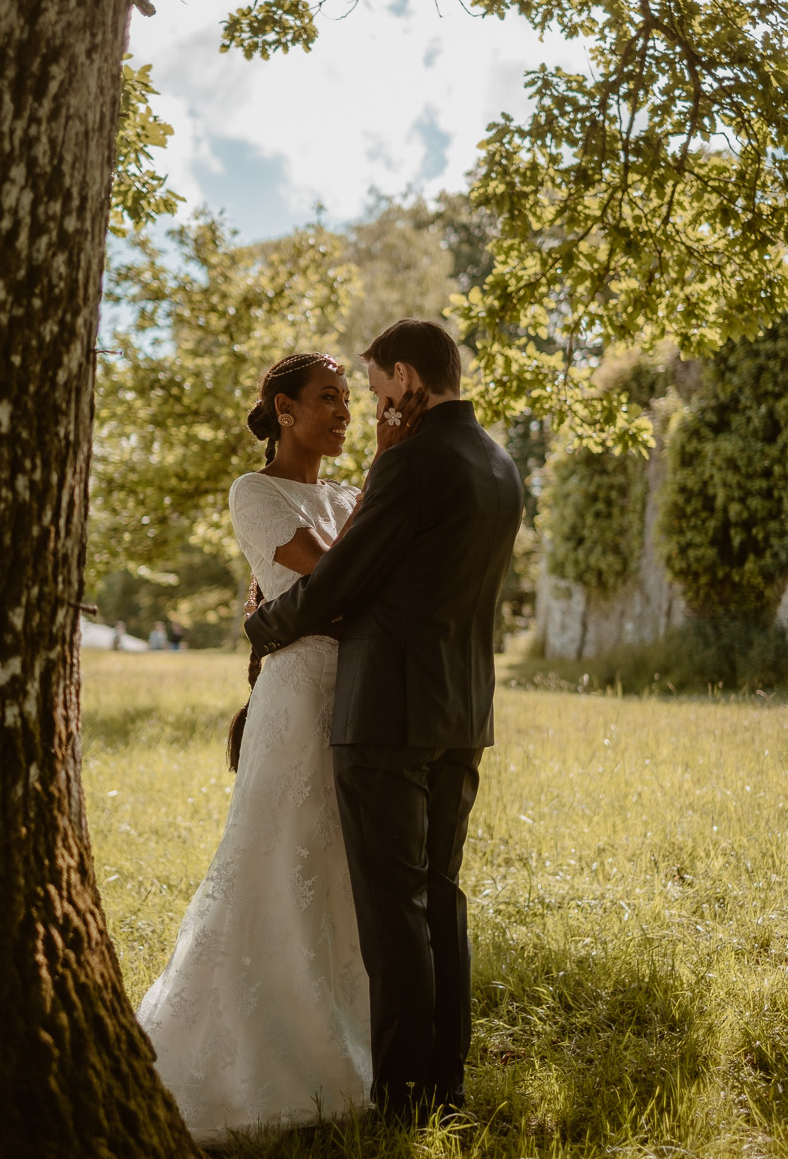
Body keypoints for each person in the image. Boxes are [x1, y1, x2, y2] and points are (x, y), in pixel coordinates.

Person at [245, 319, 524, 1122]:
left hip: (384, 712)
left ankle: (402, 1096)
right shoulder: (499, 464)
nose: (373, 404)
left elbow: (343, 580)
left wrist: (264, 628)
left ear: (405, 377)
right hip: (462, 709)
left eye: (373, 388)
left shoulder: (411, 462)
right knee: (440, 896)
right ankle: (446, 1083)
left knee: (393, 907)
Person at [137, 351, 414, 1142]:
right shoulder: (253, 492)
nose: (343, 412)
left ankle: (350, 1038)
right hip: (294, 698)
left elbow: (365, 582)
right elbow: (331, 576)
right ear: (284, 409)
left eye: (346, 401)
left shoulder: (346, 494)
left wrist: (372, 491)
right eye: (326, 398)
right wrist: (375, 496)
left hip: (355, 696)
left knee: (339, 869)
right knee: (275, 858)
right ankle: (258, 1053)